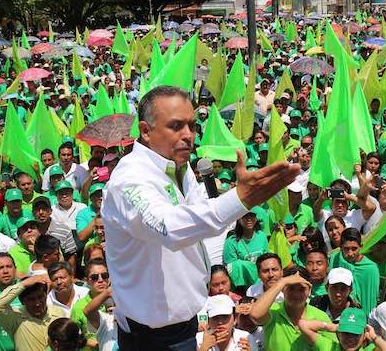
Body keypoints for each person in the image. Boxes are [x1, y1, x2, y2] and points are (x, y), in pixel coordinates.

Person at [101, 86, 299, 350]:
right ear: (146, 131)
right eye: (175, 126)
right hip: (151, 338)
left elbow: (198, 220)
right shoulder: (129, 180)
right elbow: (168, 228)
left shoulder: (180, 168)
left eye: (192, 126)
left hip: (188, 323)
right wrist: (241, 198)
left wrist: (232, 196)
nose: (188, 135)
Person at [250, 267, 334, 350]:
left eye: (301, 289)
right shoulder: (273, 311)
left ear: (309, 291)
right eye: (291, 288)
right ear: (283, 289)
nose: (296, 294)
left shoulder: (321, 317)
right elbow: (255, 315)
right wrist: (282, 281)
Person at [0, 274, 65, 351]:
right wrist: (23, 284)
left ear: (46, 295)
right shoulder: (15, 318)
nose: (37, 303)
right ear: (22, 301)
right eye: (31, 299)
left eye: (40, 297)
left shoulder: (59, 313)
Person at [329, 228, 380, 316]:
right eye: (346, 249)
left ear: (361, 246)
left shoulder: (371, 269)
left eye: (354, 249)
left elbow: (370, 300)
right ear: (340, 247)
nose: (350, 253)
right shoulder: (334, 259)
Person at [223, 211, 269, 289]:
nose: (249, 219)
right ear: (238, 218)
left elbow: (266, 260)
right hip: (241, 287)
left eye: (252, 215)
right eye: (245, 216)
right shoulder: (231, 241)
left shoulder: (262, 236)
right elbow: (232, 269)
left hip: (262, 281)